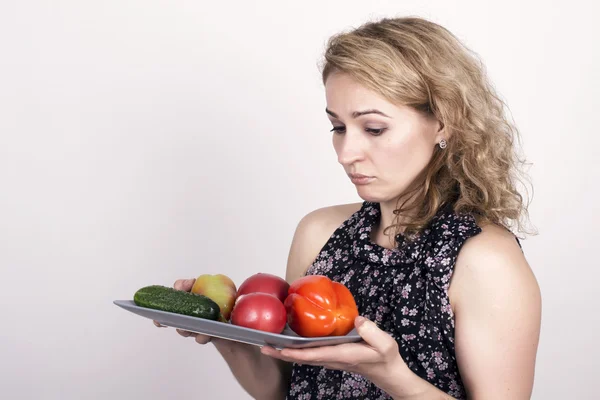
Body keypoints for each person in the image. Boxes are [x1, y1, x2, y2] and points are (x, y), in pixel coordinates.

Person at [155, 16, 542, 400]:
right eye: (337, 128)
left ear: (443, 123)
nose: (346, 153)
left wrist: (393, 377)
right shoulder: (318, 233)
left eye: (373, 129)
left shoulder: (486, 261)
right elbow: (284, 390)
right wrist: (229, 334)